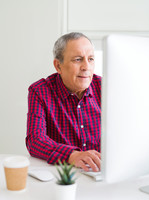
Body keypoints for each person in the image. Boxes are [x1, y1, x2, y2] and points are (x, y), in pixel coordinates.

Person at [26, 32, 101, 172]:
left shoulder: (105, 87)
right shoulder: (40, 91)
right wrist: (73, 155)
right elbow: (35, 140)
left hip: (101, 174)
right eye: (78, 59)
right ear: (58, 66)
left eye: (90, 59)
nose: (86, 67)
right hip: (62, 176)